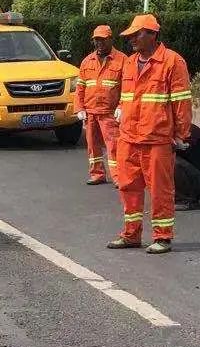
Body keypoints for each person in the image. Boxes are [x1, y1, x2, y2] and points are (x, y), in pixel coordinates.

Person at [108, 13, 192, 255]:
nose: (132, 39)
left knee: (160, 190)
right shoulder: (129, 62)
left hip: (156, 138)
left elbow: (181, 102)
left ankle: (162, 236)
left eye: (137, 34)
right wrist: (120, 112)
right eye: (131, 35)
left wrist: (181, 135)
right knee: (127, 186)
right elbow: (127, 97)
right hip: (129, 138)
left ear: (153, 34)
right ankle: (131, 234)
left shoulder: (172, 62)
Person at [74, 24, 126, 184]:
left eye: (103, 40)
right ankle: (97, 174)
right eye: (96, 40)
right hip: (91, 113)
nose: (99, 44)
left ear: (110, 40)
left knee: (114, 146)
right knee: (92, 146)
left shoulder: (122, 60)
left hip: (109, 114)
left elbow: (128, 88)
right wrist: (79, 108)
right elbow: (80, 88)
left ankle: (119, 177)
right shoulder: (87, 62)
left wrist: (121, 106)